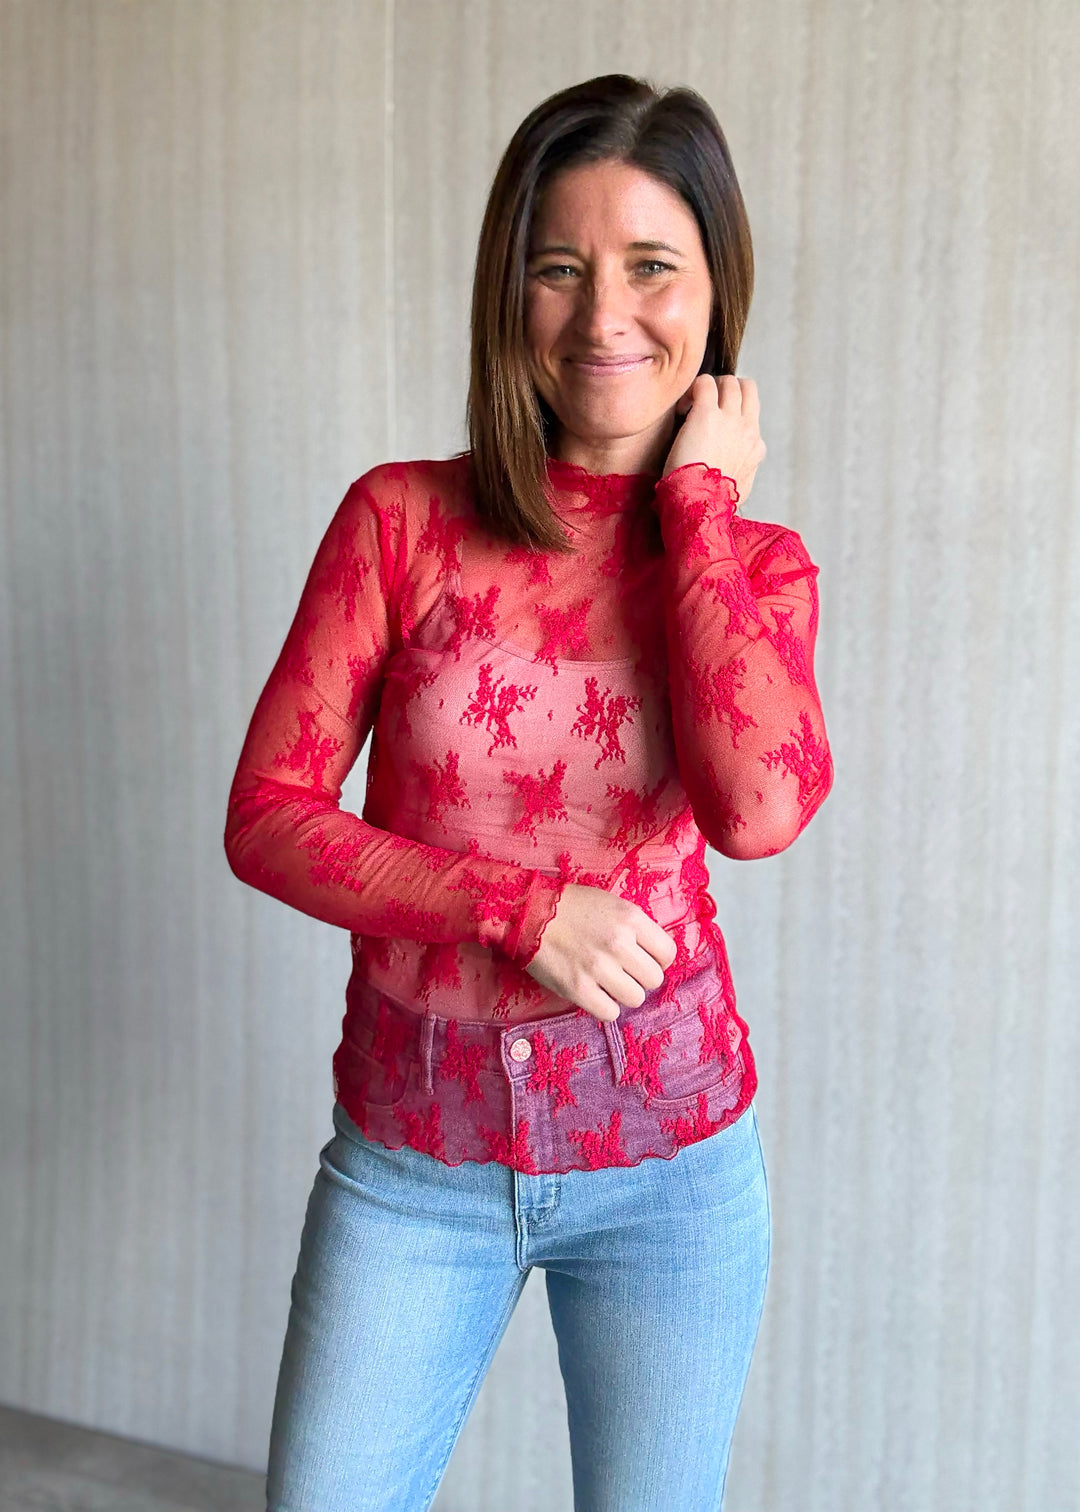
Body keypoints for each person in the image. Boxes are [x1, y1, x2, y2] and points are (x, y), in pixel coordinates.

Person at [225, 71, 833, 1512]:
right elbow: (268, 813)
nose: (603, 312)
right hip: (413, 1165)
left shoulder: (757, 567)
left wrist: (695, 508)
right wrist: (516, 907)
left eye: (649, 267)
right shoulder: (401, 521)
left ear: (713, 289)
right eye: (558, 266)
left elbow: (758, 812)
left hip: (671, 1166)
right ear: (513, 290)